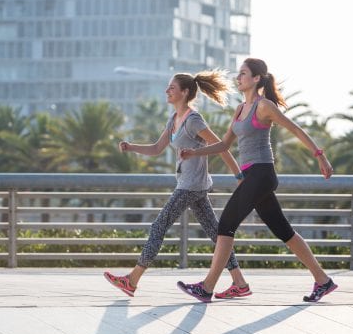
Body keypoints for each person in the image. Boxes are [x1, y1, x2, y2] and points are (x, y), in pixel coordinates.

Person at [177, 58, 338, 303]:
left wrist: (320, 155)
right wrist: (194, 152)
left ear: (256, 79)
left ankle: (207, 287)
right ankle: (323, 281)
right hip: (253, 176)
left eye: (243, 74)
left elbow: (295, 129)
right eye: (239, 74)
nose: (238, 78)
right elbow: (224, 144)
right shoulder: (240, 109)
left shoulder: (264, 107)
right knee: (284, 231)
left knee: (225, 226)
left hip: (262, 173)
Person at [104, 70, 251, 302]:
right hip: (191, 184)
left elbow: (221, 146)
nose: (167, 91)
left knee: (159, 225)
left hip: (191, 186)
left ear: (184, 92)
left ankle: (132, 280)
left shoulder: (194, 120)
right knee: (216, 233)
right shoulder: (173, 119)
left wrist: (239, 176)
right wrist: (131, 147)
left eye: (171, 88)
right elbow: (156, 148)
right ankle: (240, 282)